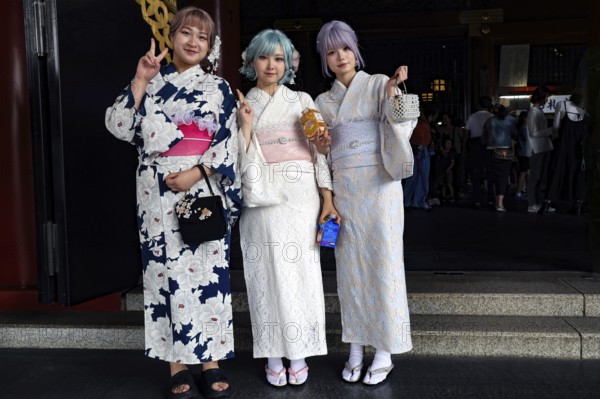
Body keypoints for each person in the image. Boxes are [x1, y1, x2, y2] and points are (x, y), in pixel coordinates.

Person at [105, 7, 239, 399]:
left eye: (202, 37)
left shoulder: (220, 89)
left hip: (200, 185)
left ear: (209, 46)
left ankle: (210, 361)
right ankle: (176, 363)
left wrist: (197, 173)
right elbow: (118, 126)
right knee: (164, 276)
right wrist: (140, 80)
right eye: (186, 33)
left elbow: (229, 143)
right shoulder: (153, 82)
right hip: (157, 191)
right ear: (172, 37)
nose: (193, 42)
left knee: (207, 276)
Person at [236, 29, 339, 387]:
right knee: (266, 274)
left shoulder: (301, 99)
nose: (271, 65)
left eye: (279, 58)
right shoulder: (243, 103)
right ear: (252, 61)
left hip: (300, 197)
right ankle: (273, 354)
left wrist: (327, 197)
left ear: (288, 64)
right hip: (263, 198)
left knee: (301, 275)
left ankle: (298, 352)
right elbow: (238, 156)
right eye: (264, 57)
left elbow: (318, 152)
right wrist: (245, 127)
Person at [314, 20, 415, 386]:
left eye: (344, 48)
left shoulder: (377, 83)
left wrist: (393, 92)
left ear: (354, 50)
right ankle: (355, 347)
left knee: (384, 265)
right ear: (324, 59)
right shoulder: (321, 101)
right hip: (345, 191)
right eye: (330, 51)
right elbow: (317, 153)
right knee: (350, 271)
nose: (339, 56)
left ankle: (384, 350)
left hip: (379, 185)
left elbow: (404, 124)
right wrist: (323, 153)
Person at [546, 91, 588, 214]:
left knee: (557, 171)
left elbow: (556, 127)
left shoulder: (562, 105)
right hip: (578, 149)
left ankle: (548, 202)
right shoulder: (584, 112)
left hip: (563, 146)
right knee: (578, 174)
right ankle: (578, 203)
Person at [482, 105, 518, 212]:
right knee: (503, 178)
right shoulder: (511, 120)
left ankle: (493, 200)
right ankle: (500, 203)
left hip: (491, 150)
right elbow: (515, 134)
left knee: (493, 178)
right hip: (505, 152)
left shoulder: (489, 121)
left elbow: (483, 138)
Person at [526, 86, 555, 214]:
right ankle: (532, 204)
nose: (547, 100)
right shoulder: (533, 113)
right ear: (542, 97)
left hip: (542, 148)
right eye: (547, 97)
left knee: (541, 178)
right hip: (537, 149)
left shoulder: (537, 111)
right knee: (535, 178)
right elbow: (534, 133)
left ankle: (539, 203)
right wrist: (551, 130)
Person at [464, 96, 493, 207]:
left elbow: (466, 133)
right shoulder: (492, 117)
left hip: (475, 145)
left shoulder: (472, 117)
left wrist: (464, 148)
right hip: (489, 145)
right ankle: (491, 197)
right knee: (490, 172)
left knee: (476, 173)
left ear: (479, 105)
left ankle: (477, 198)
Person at [404, 107, 435, 209]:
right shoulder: (423, 125)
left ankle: (406, 200)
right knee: (423, 178)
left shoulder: (414, 123)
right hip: (422, 152)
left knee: (411, 177)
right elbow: (422, 140)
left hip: (412, 151)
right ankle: (419, 201)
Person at [515, 111, 531, 199]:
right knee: (524, 173)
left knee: (526, 172)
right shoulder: (525, 128)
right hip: (526, 153)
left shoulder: (520, 127)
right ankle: (518, 193)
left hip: (521, 152)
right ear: (525, 118)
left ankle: (524, 191)